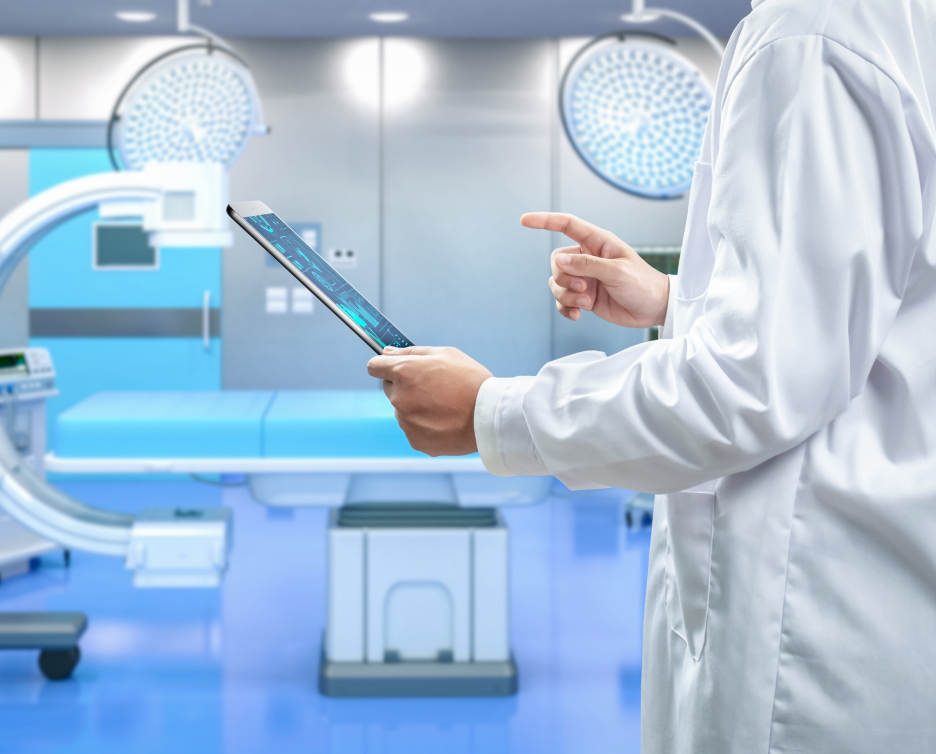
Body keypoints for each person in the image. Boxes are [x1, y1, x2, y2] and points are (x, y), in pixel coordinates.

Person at [367, 0, 936, 751]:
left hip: (815, 630)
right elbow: (869, 319)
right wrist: (679, 300)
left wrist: (493, 411)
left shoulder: (813, 29)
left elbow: (751, 384)